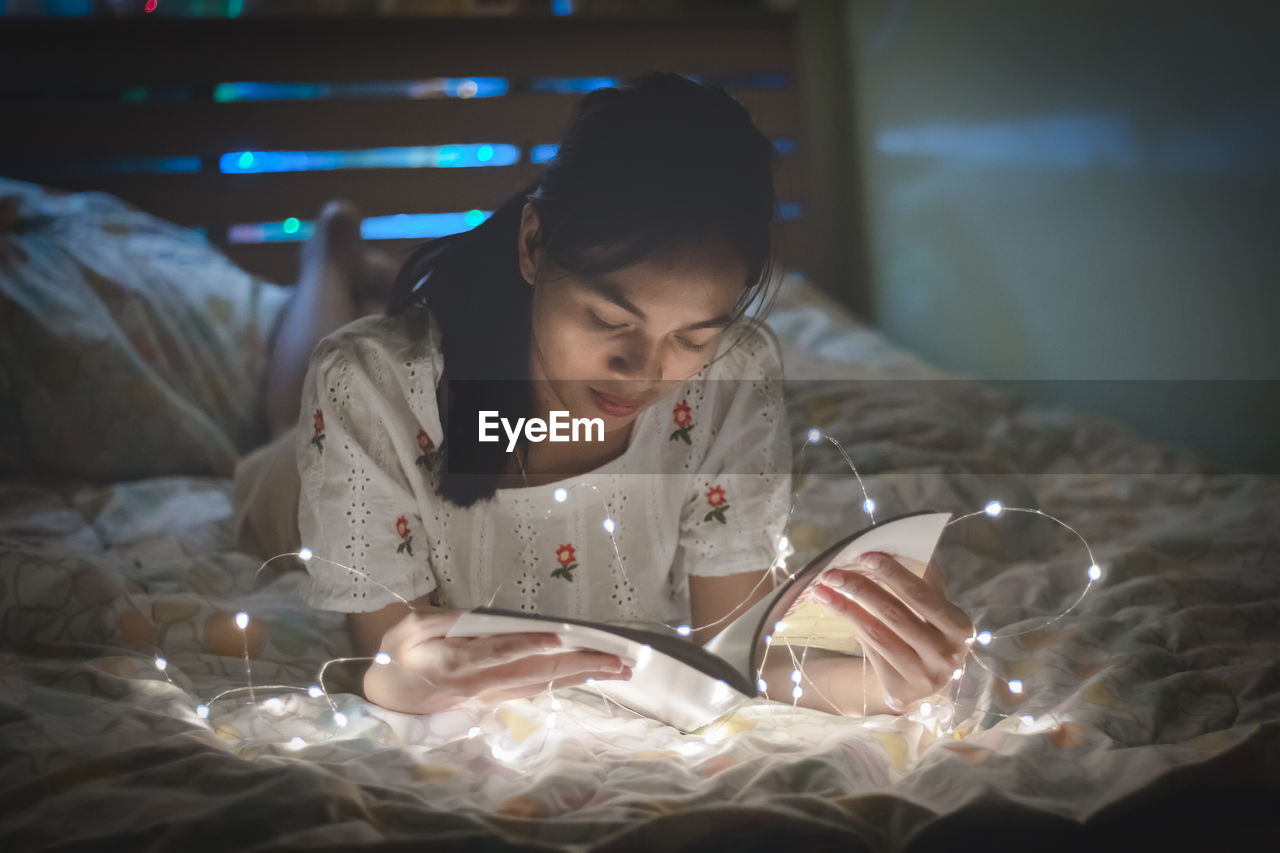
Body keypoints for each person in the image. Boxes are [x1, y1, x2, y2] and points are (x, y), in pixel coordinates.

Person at [232, 72, 972, 719]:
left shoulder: (733, 375)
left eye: (691, 336)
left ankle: (354, 264)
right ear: (532, 244)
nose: (643, 373)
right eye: (610, 320)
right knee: (283, 412)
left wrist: (886, 677)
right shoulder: (371, 385)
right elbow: (381, 657)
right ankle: (328, 250)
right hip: (300, 470)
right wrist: (400, 674)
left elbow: (733, 652)